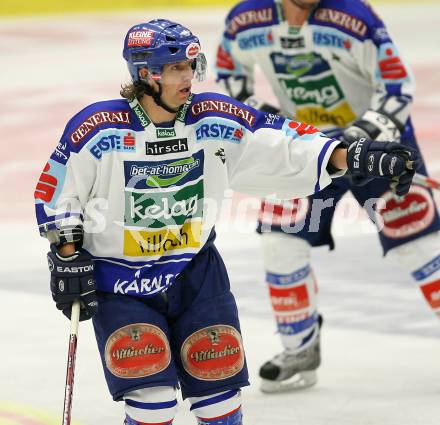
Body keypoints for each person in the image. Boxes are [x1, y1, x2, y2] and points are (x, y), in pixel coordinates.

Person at [34, 19, 417, 424]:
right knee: (153, 399)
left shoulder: (213, 117)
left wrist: (353, 156)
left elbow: (284, 145)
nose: (189, 78)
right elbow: (59, 192)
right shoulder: (97, 129)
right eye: (177, 68)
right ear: (146, 74)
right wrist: (67, 254)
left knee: (219, 392)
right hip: (121, 283)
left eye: (190, 67)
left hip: (196, 274)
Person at [215, 0, 440, 394]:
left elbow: (397, 86)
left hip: (377, 149)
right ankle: (299, 348)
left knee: (420, 246)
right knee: (280, 242)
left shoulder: (354, 16)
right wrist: (268, 118)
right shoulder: (244, 19)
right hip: (305, 149)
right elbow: (229, 73)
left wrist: (363, 134)